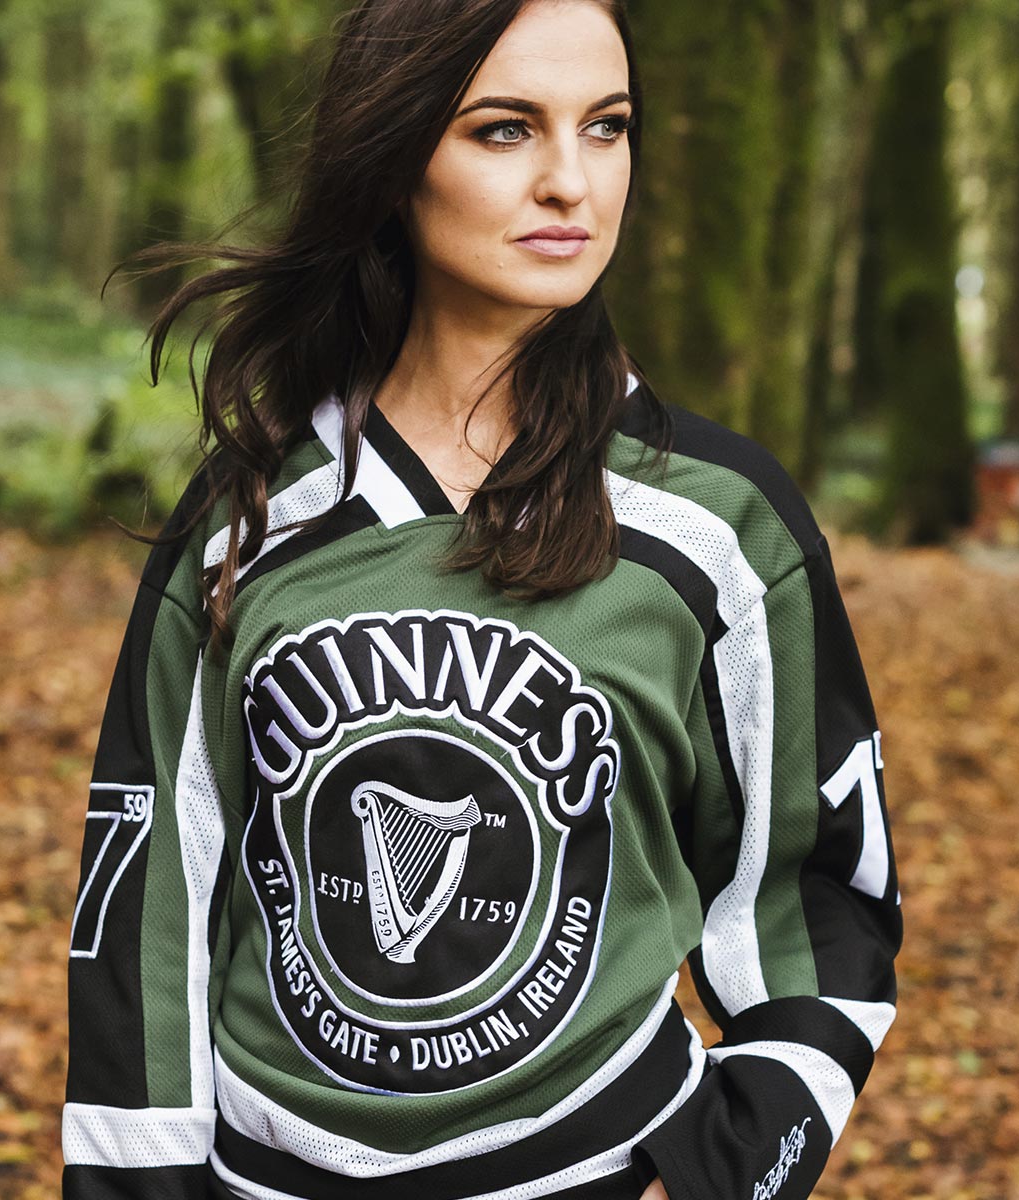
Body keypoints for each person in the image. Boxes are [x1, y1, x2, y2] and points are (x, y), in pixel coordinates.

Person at [60, 1, 903, 1198]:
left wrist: (725, 1170)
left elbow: (819, 890)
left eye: (606, 127)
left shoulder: (715, 527)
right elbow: (148, 906)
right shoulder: (248, 522)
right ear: (397, 156)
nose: (572, 181)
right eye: (506, 130)